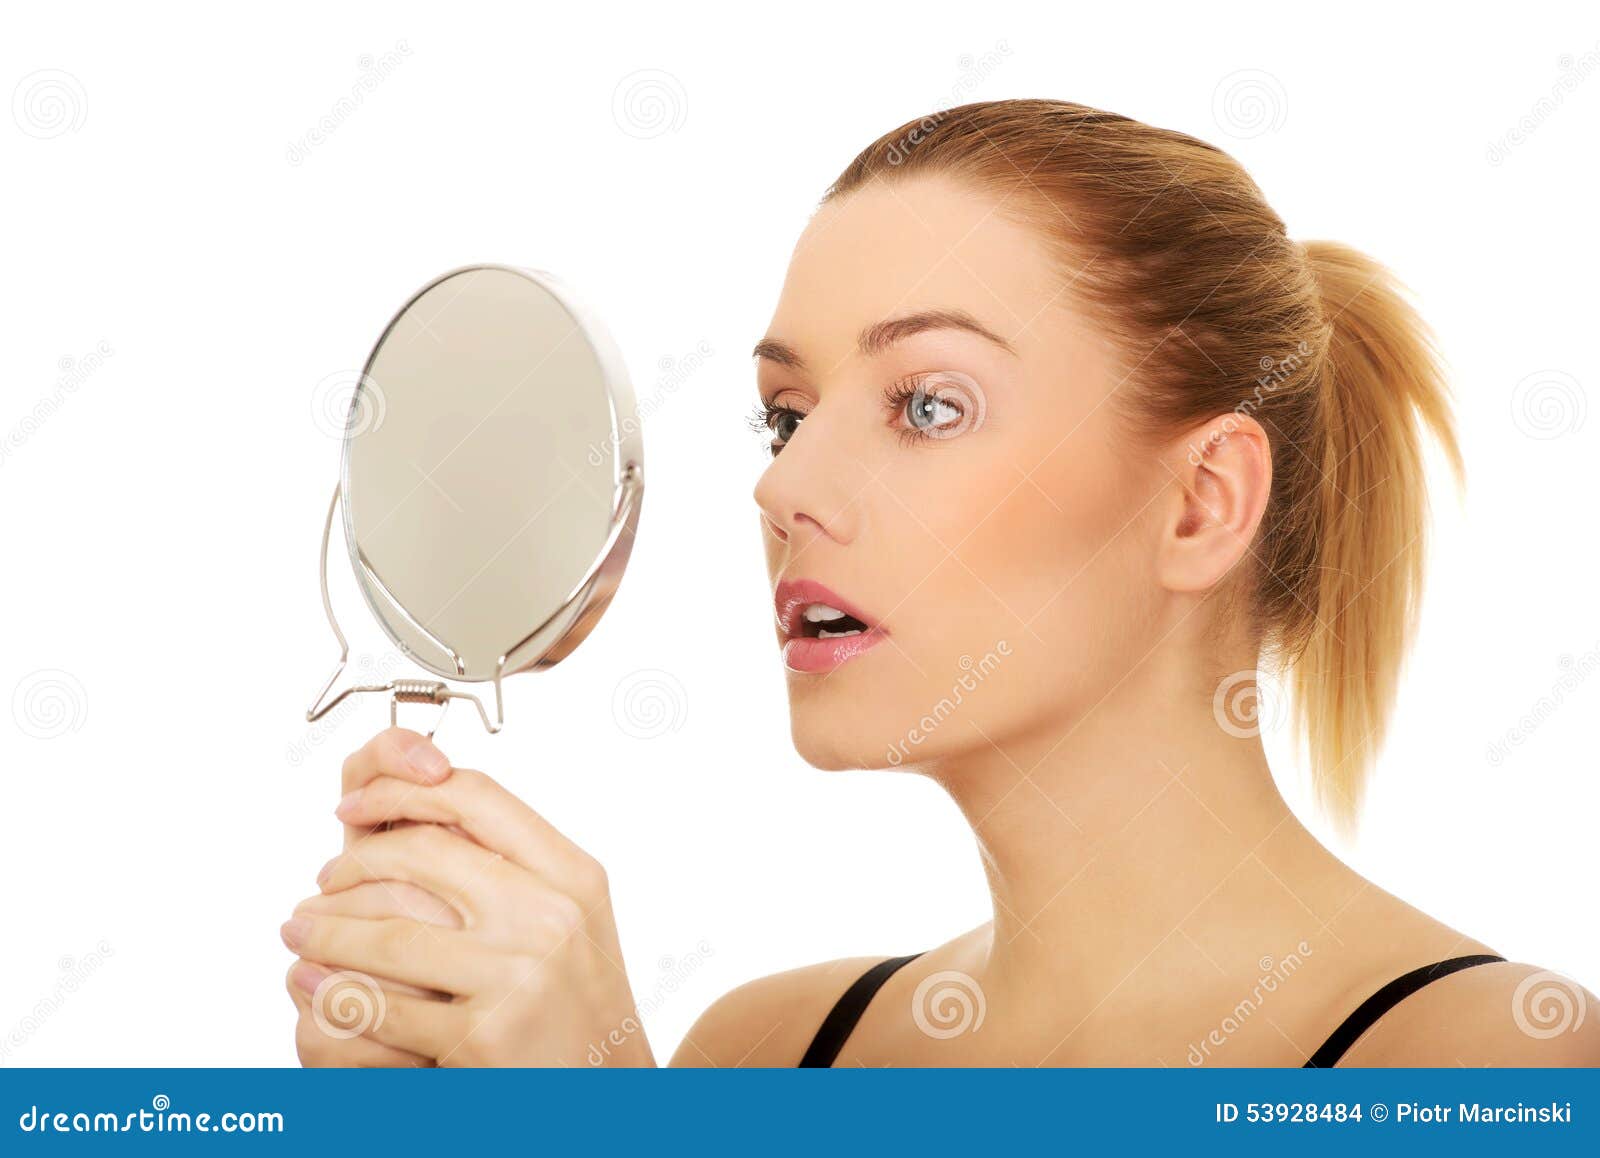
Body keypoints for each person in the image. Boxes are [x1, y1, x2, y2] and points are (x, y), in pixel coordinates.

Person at [281, 99, 1599, 1067]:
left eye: (927, 404)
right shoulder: (768, 1051)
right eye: (785, 415)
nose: (781, 490)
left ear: (1202, 503)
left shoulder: (1492, 1059)